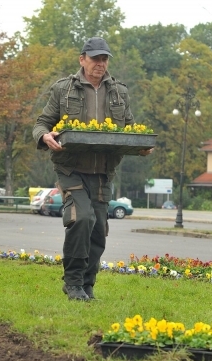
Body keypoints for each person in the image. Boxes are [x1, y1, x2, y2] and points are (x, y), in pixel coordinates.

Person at [33, 36, 151, 301]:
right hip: (70, 168)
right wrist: (44, 136)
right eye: (96, 58)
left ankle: (87, 285)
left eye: (105, 58)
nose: (101, 63)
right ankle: (73, 282)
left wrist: (141, 145)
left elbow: (129, 128)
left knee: (98, 228)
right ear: (82, 59)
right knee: (81, 218)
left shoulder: (119, 91)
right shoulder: (63, 89)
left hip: (103, 172)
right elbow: (42, 123)